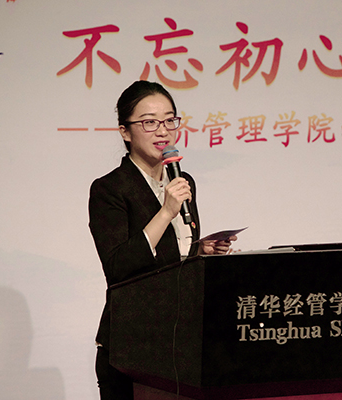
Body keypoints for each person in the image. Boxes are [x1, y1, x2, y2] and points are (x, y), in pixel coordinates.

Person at [88, 80, 236, 400]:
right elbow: (118, 267)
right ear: (125, 132)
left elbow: (169, 259)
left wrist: (199, 250)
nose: (163, 131)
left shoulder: (181, 180)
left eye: (170, 120)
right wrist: (166, 211)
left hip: (181, 344)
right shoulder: (109, 189)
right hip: (132, 347)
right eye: (149, 122)